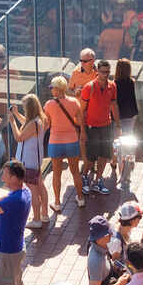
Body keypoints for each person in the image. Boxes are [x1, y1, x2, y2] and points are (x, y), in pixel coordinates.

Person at [43, 76, 87, 210]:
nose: (51, 90)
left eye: (52, 88)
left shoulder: (49, 105)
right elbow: (80, 122)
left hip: (55, 141)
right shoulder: (74, 102)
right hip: (71, 140)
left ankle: (57, 203)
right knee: (75, 172)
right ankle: (80, 199)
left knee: (57, 173)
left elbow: (47, 124)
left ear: (57, 89)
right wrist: (82, 133)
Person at [9, 93, 50, 228]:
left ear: (29, 108)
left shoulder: (33, 123)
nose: (24, 110)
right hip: (35, 160)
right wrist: (16, 114)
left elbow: (19, 137)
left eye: (24, 108)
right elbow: (27, 126)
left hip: (28, 162)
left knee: (33, 191)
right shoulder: (39, 119)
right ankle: (44, 215)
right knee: (40, 186)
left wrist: (12, 122)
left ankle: (37, 219)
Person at [80, 59, 119, 195]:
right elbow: (81, 111)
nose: (106, 74)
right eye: (103, 72)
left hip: (106, 125)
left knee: (104, 155)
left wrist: (118, 125)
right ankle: (84, 177)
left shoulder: (112, 86)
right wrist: (83, 131)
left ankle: (98, 181)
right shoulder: (88, 87)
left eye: (108, 72)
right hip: (92, 127)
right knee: (91, 158)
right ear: (97, 72)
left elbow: (114, 105)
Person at [113, 57, 139, 183]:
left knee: (118, 143)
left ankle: (120, 169)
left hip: (118, 117)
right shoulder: (131, 82)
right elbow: (132, 100)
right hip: (130, 115)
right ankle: (127, 170)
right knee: (128, 143)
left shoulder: (114, 84)